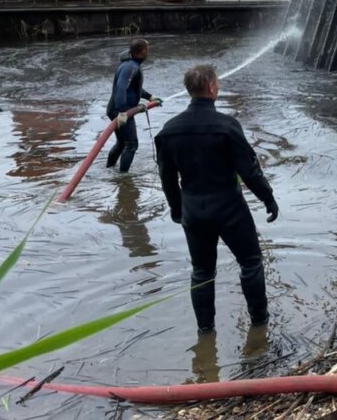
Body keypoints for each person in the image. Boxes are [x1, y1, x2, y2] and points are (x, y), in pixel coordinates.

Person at [155, 64, 279, 333]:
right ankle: (260, 324)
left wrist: (177, 209)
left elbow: (167, 178)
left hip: (194, 211)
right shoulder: (227, 126)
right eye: (218, 83)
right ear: (212, 87)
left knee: (202, 272)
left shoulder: (169, 130)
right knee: (250, 263)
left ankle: (205, 332)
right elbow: (249, 171)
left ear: (189, 90)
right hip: (230, 208)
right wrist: (268, 198)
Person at [106, 38, 158, 173]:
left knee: (122, 143)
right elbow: (121, 88)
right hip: (120, 111)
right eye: (146, 50)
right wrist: (123, 112)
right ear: (140, 53)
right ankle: (123, 178)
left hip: (117, 110)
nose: (148, 52)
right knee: (131, 145)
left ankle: (109, 170)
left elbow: (133, 89)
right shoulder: (129, 67)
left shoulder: (132, 65)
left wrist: (150, 97)